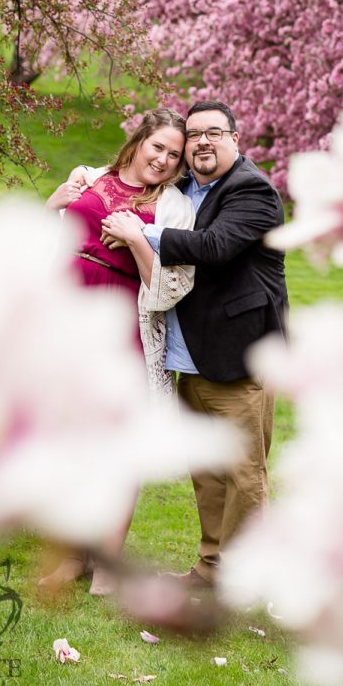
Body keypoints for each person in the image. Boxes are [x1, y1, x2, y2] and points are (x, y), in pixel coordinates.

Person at [100, 100, 288, 588]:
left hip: (238, 359)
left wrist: (141, 232)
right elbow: (127, 177)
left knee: (244, 478)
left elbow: (215, 247)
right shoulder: (184, 189)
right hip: (190, 358)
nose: (203, 142)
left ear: (235, 139)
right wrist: (82, 184)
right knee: (206, 475)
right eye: (196, 135)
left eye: (214, 133)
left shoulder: (253, 191)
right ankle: (209, 569)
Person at [39, 107, 195, 595]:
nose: (165, 160)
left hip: (125, 320)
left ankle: (106, 562)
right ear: (139, 140)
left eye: (174, 155)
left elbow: (171, 287)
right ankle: (67, 559)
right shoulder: (87, 177)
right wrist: (51, 207)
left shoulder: (175, 207)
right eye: (158, 147)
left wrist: (135, 239)